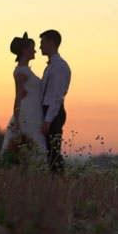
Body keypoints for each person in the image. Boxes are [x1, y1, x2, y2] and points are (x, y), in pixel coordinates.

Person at [1, 32, 47, 160]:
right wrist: (16, 121)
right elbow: (18, 97)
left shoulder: (26, 70)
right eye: (32, 48)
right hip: (28, 112)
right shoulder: (21, 72)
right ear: (24, 50)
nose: (35, 51)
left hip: (35, 111)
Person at [40, 29, 71, 174]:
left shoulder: (59, 66)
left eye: (43, 43)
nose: (40, 47)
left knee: (53, 151)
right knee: (49, 151)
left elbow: (57, 96)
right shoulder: (51, 66)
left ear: (51, 43)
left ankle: (58, 181)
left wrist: (48, 119)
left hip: (53, 111)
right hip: (47, 110)